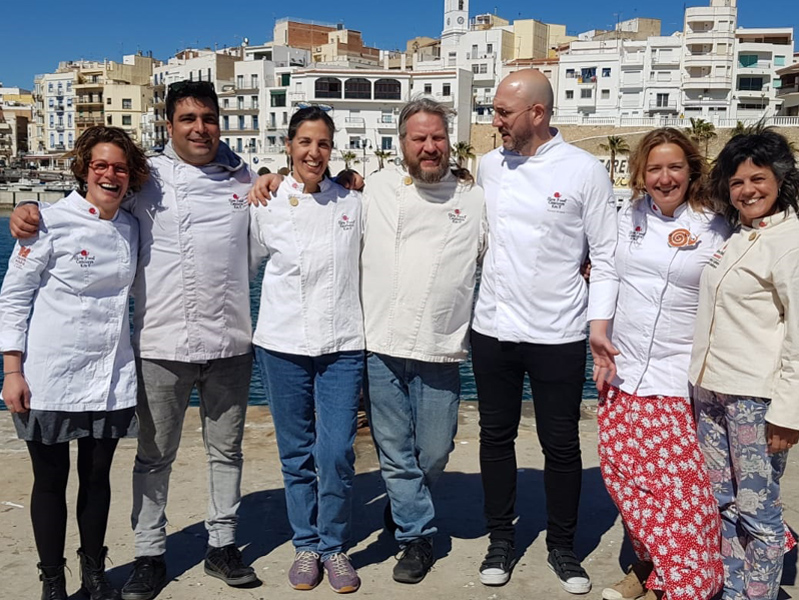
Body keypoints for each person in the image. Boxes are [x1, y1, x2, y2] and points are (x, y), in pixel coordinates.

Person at [11, 80, 258, 600]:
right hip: (160, 344)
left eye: (208, 118)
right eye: (188, 118)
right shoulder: (147, 183)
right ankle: (148, 554)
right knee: (152, 456)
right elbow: (27, 279)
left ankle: (222, 544)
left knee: (227, 452)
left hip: (232, 339)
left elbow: (281, 211)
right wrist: (28, 210)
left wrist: (336, 179)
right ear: (169, 125)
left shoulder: (243, 176)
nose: (200, 127)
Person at [472, 68, 618, 593]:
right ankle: (500, 540)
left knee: (560, 445)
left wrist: (598, 326)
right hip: (491, 327)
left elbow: (604, 256)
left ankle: (562, 546)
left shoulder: (584, 171)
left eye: (503, 112)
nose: (496, 121)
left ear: (537, 113)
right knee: (495, 437)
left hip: (558, 332)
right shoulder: (488, 166)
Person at [0, 126, 148, 600]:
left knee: (97, 479)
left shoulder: (131, 225)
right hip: (50, 374)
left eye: (119, 167)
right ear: (84, 168)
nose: (110, 174)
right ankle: (51, 580)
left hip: (110, 375)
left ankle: (94, 573)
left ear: (130, 176)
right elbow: (13, 298)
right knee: (50, 482)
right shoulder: (46, 221)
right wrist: (11, 371)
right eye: (100, 165)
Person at [595, 128, 726, 600]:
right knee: (625, 480)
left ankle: (687, 582)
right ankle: (649, 567)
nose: (664, 177)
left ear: (692, 169)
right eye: (654, 168)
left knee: (679, 494)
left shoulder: (717, 223)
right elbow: (606, 269)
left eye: (674, 167)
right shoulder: (627, 215)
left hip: (678, 378)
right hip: (622, 370)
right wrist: (598, 330)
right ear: (640, 174)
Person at [360, 98, 486, 584]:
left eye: (437, 138)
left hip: (441, 346)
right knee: (393, 448)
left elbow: (508, 253)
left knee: (434, 450)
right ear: (402, 144)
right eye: (420, 139)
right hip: (381, 342)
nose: (430, 147)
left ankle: (403, 503)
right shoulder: (376, 187)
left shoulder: (474, 198)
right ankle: (416, 537)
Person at [249, 107, 364, 594]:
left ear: (331, 149)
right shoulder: (265, 203)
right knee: (296, 454)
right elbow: (246, 267)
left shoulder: (353, 202)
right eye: (304, 143)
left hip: (343, 343)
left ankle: (335, 545)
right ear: (289, 146)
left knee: (336, 451)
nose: (313, 152)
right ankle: (307, 545)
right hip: (281, 343)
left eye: (322, 144)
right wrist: (263, 178)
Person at [690, 128, 799, 600]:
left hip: (757, 401)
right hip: (711, 391)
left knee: (759, 511)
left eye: (758, 178)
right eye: (737, 182)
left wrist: (789, 414)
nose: (748, 190)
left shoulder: (791, 241)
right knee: (723, 502)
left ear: (780, 180)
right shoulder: (739, 234)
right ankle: (734, 588)